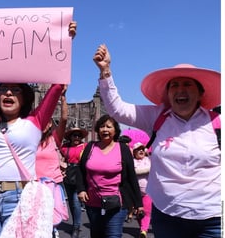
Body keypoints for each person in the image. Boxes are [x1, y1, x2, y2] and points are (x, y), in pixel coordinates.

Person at [0, 21, 76, 238]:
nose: (8, 93)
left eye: (15, 90)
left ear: (25, 97)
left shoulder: (35, 122)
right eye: (3, 89)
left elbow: (56, 85)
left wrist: (66, 41)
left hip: (18, 197)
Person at [93, 44, 221, 238]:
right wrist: (105, 71)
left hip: (212, 219)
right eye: (175, 85)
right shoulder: (156, 117)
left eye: (187, 84)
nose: (181, 90)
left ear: (200, 92)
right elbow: (117, 109)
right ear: (168, 94)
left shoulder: (217, 123)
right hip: (167, 216)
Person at [76, 114, 143, 238]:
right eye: (102, 126)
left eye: (108, 127)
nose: (105, 129)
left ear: (115, 130)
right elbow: (80, 170)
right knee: (97, 235)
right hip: (93, 202)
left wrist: (138, 203)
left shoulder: (122, 149)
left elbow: (131, 177)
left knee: (113, 235)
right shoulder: (90, 147)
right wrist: (81, 189)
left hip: (117, 203)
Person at [35, 87, 68, 238]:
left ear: (49, 125)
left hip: (52, 186)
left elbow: (64, 119)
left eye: (46, 122)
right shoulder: (29, 141)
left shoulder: (54, 138)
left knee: (50, 222)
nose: (42, 125)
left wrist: (63, 98)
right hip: (33, 187)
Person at [60, 127, 87, 238]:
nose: (76, 137)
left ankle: (76, 227)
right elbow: (60, 158)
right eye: (74, 135)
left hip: (80, 175)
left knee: (76, 201)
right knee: (71, 201)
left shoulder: (85, 147)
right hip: (68, 175)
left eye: (79, 135)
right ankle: (75, 223)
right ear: (70, 137)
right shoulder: (65, 147)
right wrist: (62, 167)